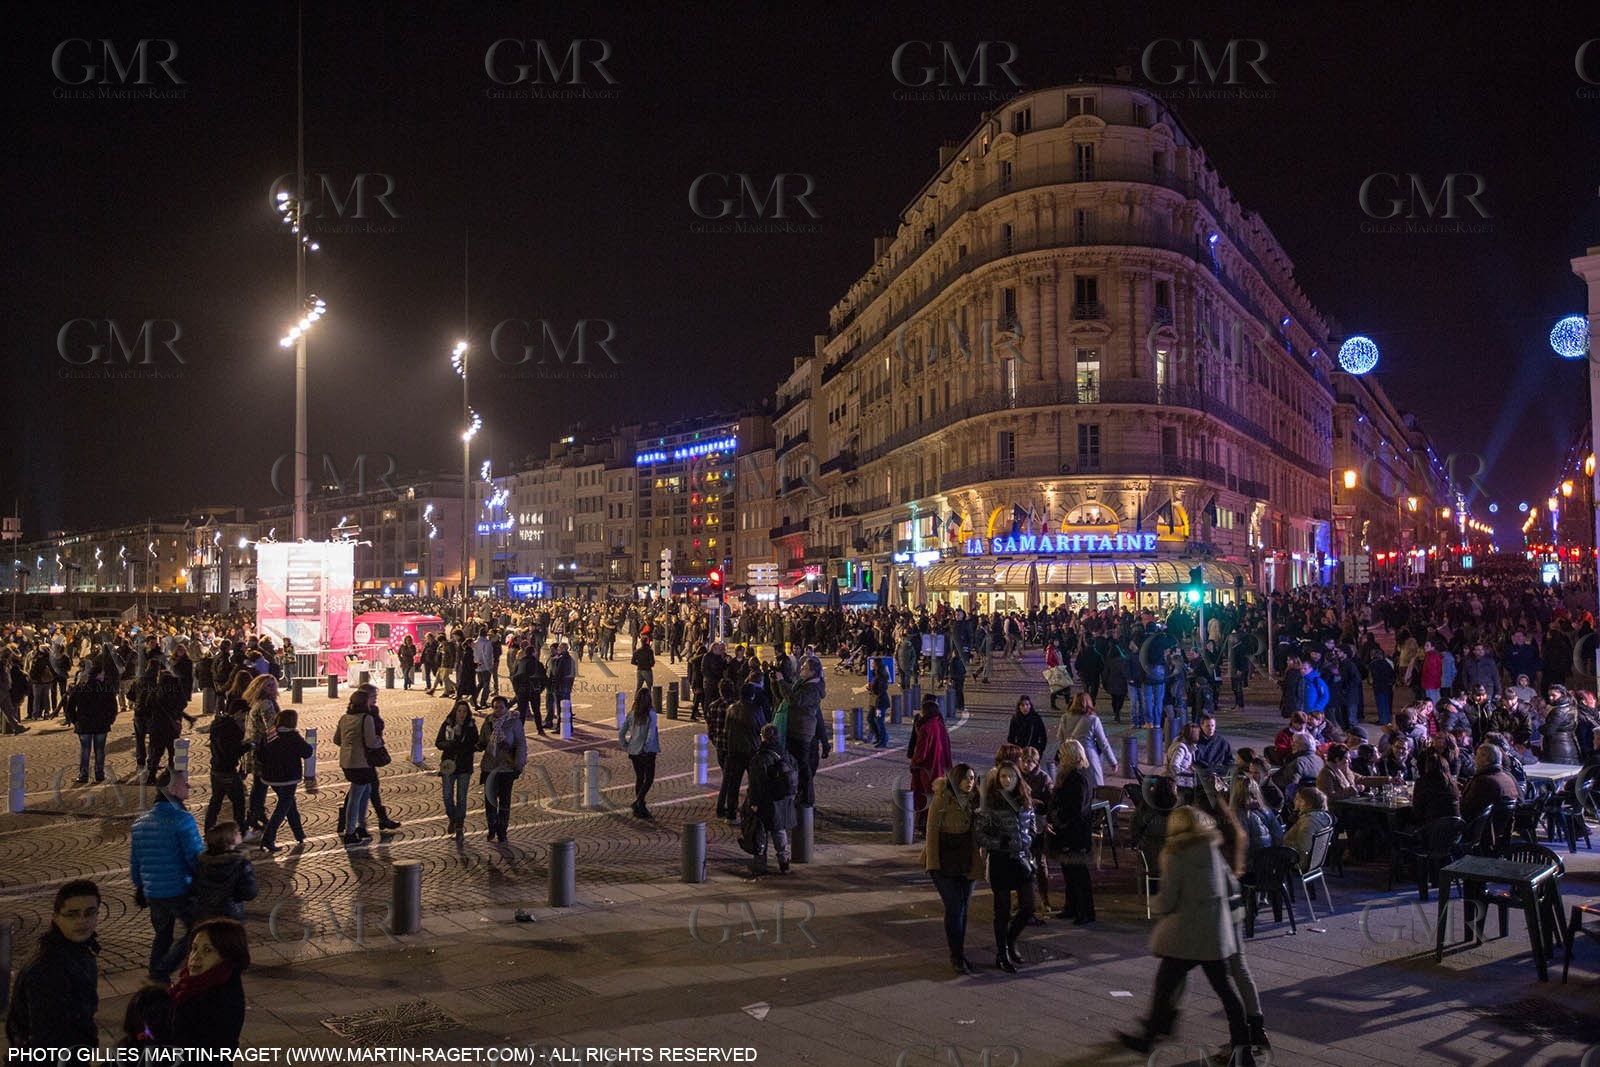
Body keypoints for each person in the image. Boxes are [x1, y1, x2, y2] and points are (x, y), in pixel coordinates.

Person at [1119, 807, 1254, 1065]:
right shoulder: (1212, 849)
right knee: (1226, 992)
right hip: (1213, 934)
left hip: (1185, 936)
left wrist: (1154, 905)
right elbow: (1230, 886)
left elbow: (1169, 899)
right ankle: (1243, 1049)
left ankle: (1149, 1037)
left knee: (1164, 986)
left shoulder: (1175, 854)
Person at [5, 879, 101, 1050]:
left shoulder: (77, 948)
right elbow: (49, 1040)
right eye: (72, 914)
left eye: (90, 913)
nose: (82, 921)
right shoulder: (48, 970)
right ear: (55, 917)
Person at [130, 770, 204, 982]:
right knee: (196, 929)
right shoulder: (182, 820)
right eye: (184, 784)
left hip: (153, 892)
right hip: (179, 889)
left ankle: (156, 977)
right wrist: (201, 881)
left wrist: (140, 885)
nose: (188, 787)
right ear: (172, 789)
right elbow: (194, 857)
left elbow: (135, 861)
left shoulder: (140, 824)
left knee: (163, 935)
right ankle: (163, 970)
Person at [975, 760, 1037, 974]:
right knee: (1002, 911)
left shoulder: (1024, 799)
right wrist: (998, 843)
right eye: (1003, 776)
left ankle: (1011, 940)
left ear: (1018, 778)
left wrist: (1029, 838)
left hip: (1022, 859)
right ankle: (1002, 953)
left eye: (1011, 776)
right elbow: (979, 834)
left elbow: (1032, 823)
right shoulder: (991, 802)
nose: (1007, 779)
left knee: (1028, 907)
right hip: (1000, 861)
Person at [923, 763, 982, 974]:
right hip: (945, 861)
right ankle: (955, 955)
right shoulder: (942, 799)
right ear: (956, 780)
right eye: (965, 778)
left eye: (972, 778)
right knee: (955, 907)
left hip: (967, 861)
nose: (969, 782)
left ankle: (960, 952)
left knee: (963, 909)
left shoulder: (975, 801)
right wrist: (933, 864)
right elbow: (931, 832)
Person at [168, 918, 249, 1054]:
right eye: (194, 948)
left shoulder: (217, 1001)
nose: (196, 956)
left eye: (207, 950)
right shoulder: (193, 985)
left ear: (226, 955)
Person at [1048, 739, 1096, 924]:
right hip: (1070, 831)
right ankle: (1072, 907)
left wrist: (1058, 817)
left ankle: (1084, 910)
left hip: (1075, 832)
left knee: (1077, 872)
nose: (1059, 758)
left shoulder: (1077, 777)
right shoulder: (1072, 775)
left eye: (1062, 754)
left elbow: (1075, 807)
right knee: (1069, 871)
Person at [746, 723, 798, 875]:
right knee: (779, 830)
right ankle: (784, 863)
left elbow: (756, 783)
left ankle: (760, 865)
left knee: (760, 832)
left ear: (762, 737)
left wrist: (754, 803)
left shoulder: (760, 757)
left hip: (766, 800)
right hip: (782, 800)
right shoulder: (785, 753)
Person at [257, 709, 312, 853]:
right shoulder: (293, 736)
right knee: (282, 808)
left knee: (289, 804)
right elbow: (307, 752)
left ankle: (299, 834)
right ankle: (268, 838)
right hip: (288, 778)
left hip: (270, 777)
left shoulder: (270, 733)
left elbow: (260, 754)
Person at [334, 686, 382, 846]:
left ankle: (361, 826)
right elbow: (371, 742)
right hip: (361, 763)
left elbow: (337, 740)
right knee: (356, 797)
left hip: (346, 762)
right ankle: (350, 831)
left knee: (365, 792)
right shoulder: (366, 719)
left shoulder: (344, 718)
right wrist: (379, 741)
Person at [479, 695, 527, 841]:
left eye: (501, 707)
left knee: (505, 801)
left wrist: (519, 764)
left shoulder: (514, 722)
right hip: (490, 767)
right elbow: (482, 741)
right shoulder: (488, 722)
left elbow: (520, 743)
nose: (498, 710)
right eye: (495, 707)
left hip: (507, 767)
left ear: (506, 708)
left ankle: (502, 831)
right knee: (490, 800)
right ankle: (492, 827)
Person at [65, 657, 118, 784]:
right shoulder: (105, 688)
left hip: (84, 724)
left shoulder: (81, 687)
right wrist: (110, 720)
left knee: (85, 750)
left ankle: (83, 775)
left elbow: (70, 706)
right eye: (102, 674)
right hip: (101, 724)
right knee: (99, 750)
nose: (104, 676)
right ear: (98, 675)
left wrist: (75, 720)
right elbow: (113, 707)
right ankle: (99, 774)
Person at [192, 822, 258, 921]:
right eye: (236, 832)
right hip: (231, 913)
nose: (240, 833)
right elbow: (249, 893)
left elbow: (196, 888)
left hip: (206, 913)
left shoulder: (203, 862)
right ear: (229, 839)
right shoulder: (240, 863)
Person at [787, 659, 829, 809]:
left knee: (805, 768)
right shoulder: (803, 685)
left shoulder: (811, 689)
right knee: (801, 767)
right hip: (800, 731)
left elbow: (795, 700)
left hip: (805, 734)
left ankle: (807, 801)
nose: (801, 669)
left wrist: (825, 742)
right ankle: (803, 797)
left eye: (805, 668)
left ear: (812, 672)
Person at [204, 699, 252, 834]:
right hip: (228, 770)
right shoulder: (231, 728)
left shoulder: (218, 724)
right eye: (244, 715)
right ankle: (242, 831)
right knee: (239, 801)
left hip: (216, 768)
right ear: (238, 712)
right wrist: (249, 746)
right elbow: (233, 752)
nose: (244, 719)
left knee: (216, 801)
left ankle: (208, 830)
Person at [908, 695, 953, 836]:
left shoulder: (926, 728)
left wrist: (913, 765)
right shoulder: (941, 726)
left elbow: (920, 754)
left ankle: (925, 829)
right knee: (937, 801)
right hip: (941, 770)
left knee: (924, 801)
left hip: (927, 772)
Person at [436, 699, 479, 836]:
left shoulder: (471, 726)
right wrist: (451, 742)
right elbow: (439, 743)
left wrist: (463, 743)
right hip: (449, 765)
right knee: (447, 795)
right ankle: (452, 817)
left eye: (464, 711)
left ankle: (459, 823)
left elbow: (475, 744)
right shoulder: (448, 724)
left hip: (464, 765)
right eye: (459, 711)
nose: (462, 714)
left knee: (462, 796)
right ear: (455, 711)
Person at [1057, 692, 1117, 787]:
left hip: (1069, 756)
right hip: (1089, 756)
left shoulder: (1065, 718)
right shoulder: (1093, 719)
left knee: (1071, 785)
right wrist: (1112, 762)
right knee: (1093, 786)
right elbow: (1103, 743)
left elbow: (1061, 739)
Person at [620, 688, 661, 819]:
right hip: (647, 752)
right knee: (649, 778)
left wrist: (626, 745)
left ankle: (640, 806)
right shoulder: (651, 714)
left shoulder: (631, 714)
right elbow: (650, 734)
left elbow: (621, 733)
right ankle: (639, 802)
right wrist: (646, 748)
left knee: (639, 777)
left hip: (634, 751)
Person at [1282, 786, 1334, 867]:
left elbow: (1305, 849)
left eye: (1297, 799)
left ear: (1304, 802)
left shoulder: (1308, 822)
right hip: (1315, 861)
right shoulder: (1323, 817)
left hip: (1299, 861)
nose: (1294, 801)